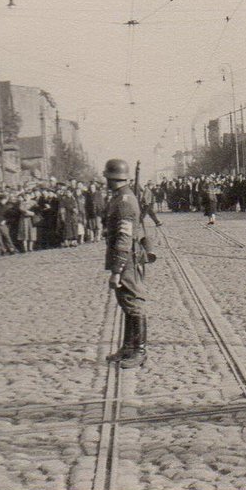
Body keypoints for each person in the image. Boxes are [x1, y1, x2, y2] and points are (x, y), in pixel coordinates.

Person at [102, 158, 149, 369]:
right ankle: (128, 347)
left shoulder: (124, 202)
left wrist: (117, 270)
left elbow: (124, 237)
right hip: (125, 256)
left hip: (126, 258)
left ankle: (139, 350)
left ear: (112, 178)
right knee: (126, 303)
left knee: (133, 304)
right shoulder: (121, 197)